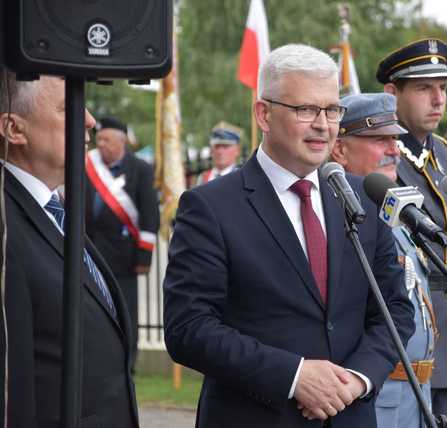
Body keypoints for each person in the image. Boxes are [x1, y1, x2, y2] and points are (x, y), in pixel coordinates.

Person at [163, 44, 415, 428]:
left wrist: (356, 380)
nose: (323, 124)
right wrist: (294, 376)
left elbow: (394, 309)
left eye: (332, 110)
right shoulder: (211, 206)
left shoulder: (363, 196)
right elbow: (190, 328)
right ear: (263, 114)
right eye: (305, 110)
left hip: (351, 414)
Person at [0, 70, 138, 426]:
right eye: (67, 108)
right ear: (14, 129)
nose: (89, 120)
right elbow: (11, 386)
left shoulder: (52, 209)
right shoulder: (5, 224)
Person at [378, 37, 447, 427]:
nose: (438, 99)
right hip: (405, 334)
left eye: (443, 87)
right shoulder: (380, 157)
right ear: (391, 93)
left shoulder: (441, 155)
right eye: (423, 88)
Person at [330, 92, 437, 428]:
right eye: (379, 139)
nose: (394, 149)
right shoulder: (334, 221)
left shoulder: (396, 218)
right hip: (373, 394)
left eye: (395, 138)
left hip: (417, 393)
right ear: (340, 149)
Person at [85, 116, 160, 368]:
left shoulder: (140, 169)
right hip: (90, 251)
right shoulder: (87, 165)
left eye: (107, 139)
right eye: (99, 139)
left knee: (125, 311)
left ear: (122, 141)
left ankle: (127, 365)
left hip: (124, 257)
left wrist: (144, 257)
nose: (101, 144)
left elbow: (150, 215)